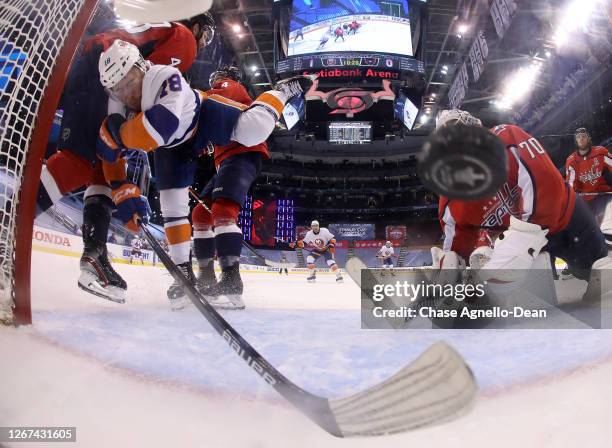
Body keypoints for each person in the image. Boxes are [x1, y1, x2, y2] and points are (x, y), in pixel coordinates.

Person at [96, 40, 314, 309]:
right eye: (118, 90)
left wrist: (116, 134)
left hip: (202, 115)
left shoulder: (166, 75)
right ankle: (184, 273)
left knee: (253, 129)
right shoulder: (117, 105)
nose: (127, 93)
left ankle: (280, 92)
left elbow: (157, 129)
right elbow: (107, 153)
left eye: (129, 81)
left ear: (141, 67)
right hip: (175, 146)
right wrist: (120, 187)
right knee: (172, 207)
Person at [38, 15, 215, 304]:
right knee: (77, 162)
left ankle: (94, 257)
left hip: (95, 66)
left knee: (99, 168)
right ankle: (10, 225)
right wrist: (128, 134)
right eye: (205, 34)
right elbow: (134, 88)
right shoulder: (184, 40)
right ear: (195, 27)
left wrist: (120, 177)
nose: (205, 42)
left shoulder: (165, 34)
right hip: (100, 68)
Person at [434, 109, 610, 292]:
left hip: (567, 220)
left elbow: (547, 185)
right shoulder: (451, 199)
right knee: (514, 296)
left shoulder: (506, 137)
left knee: (601, 275)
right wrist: (451, 266)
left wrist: (521, 238)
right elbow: (458, 248)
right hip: (530, 244)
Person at [191, 66, 269, 310]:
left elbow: (210, 103)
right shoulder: (227, 98)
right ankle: (206, 278)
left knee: (223, 212)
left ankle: (231, 282)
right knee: (200, 215)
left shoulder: (229, 86)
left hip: (242, 155)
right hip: (229, 160)